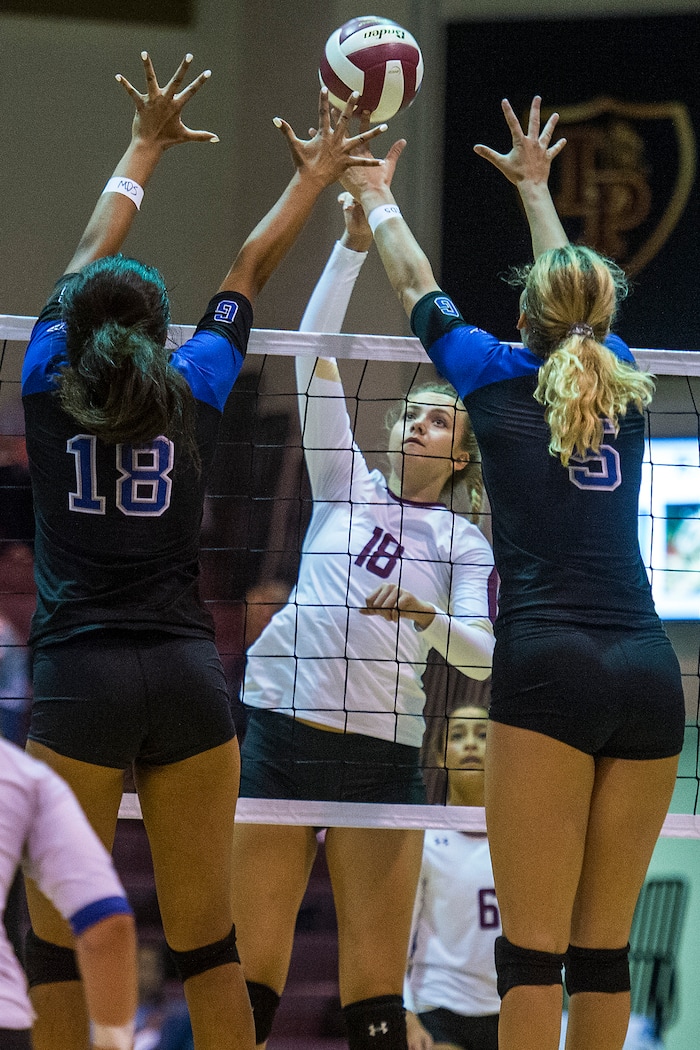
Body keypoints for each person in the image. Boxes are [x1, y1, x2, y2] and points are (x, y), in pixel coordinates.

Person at [20, 52, 386, 1050]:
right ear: (156, 332)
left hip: (80, 680)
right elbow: (245, 274)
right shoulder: (193, 385)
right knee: (209, 946)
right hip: (185, 674)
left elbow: (88, 252)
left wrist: (142, 145)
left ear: (79, 325)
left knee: (54, 940)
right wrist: (310, 176)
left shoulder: (45, 382)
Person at [339, 97, 686, 1050]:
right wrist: (537, 188)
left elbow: (414, 275)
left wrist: (373, 189)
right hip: (652, 676)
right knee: (604, 954)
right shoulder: (624, 379)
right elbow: (578, 301)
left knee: (532, 958)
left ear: (523, 313)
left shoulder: (489, 376)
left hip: (548, 667)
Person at [231, 192, 495, 1050]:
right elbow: (315, 360)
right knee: (249, 983)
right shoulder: (346, 483)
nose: (419, 421)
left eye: (440, 419)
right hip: (284, 728)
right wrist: (347, 249)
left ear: (461, 458)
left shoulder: (460, 540)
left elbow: (487, 660)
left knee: (376, 1004)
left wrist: (426, 616)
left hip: (382, 750)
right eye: (413, 411)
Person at [0, 737, 136, 1050]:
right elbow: (108, 925)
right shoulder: (24, 777)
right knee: (208, 951)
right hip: (5, 1022)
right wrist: (111, 1042)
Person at [404, 704, 500, 1050]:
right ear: (441, 756)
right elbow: (399, 938)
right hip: (438, 1007)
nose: (471, 744)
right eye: (458, 736)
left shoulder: (519, 844)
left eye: (483, 735)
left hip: (505, 1007)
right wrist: (407, 1013)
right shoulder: (425, 839)